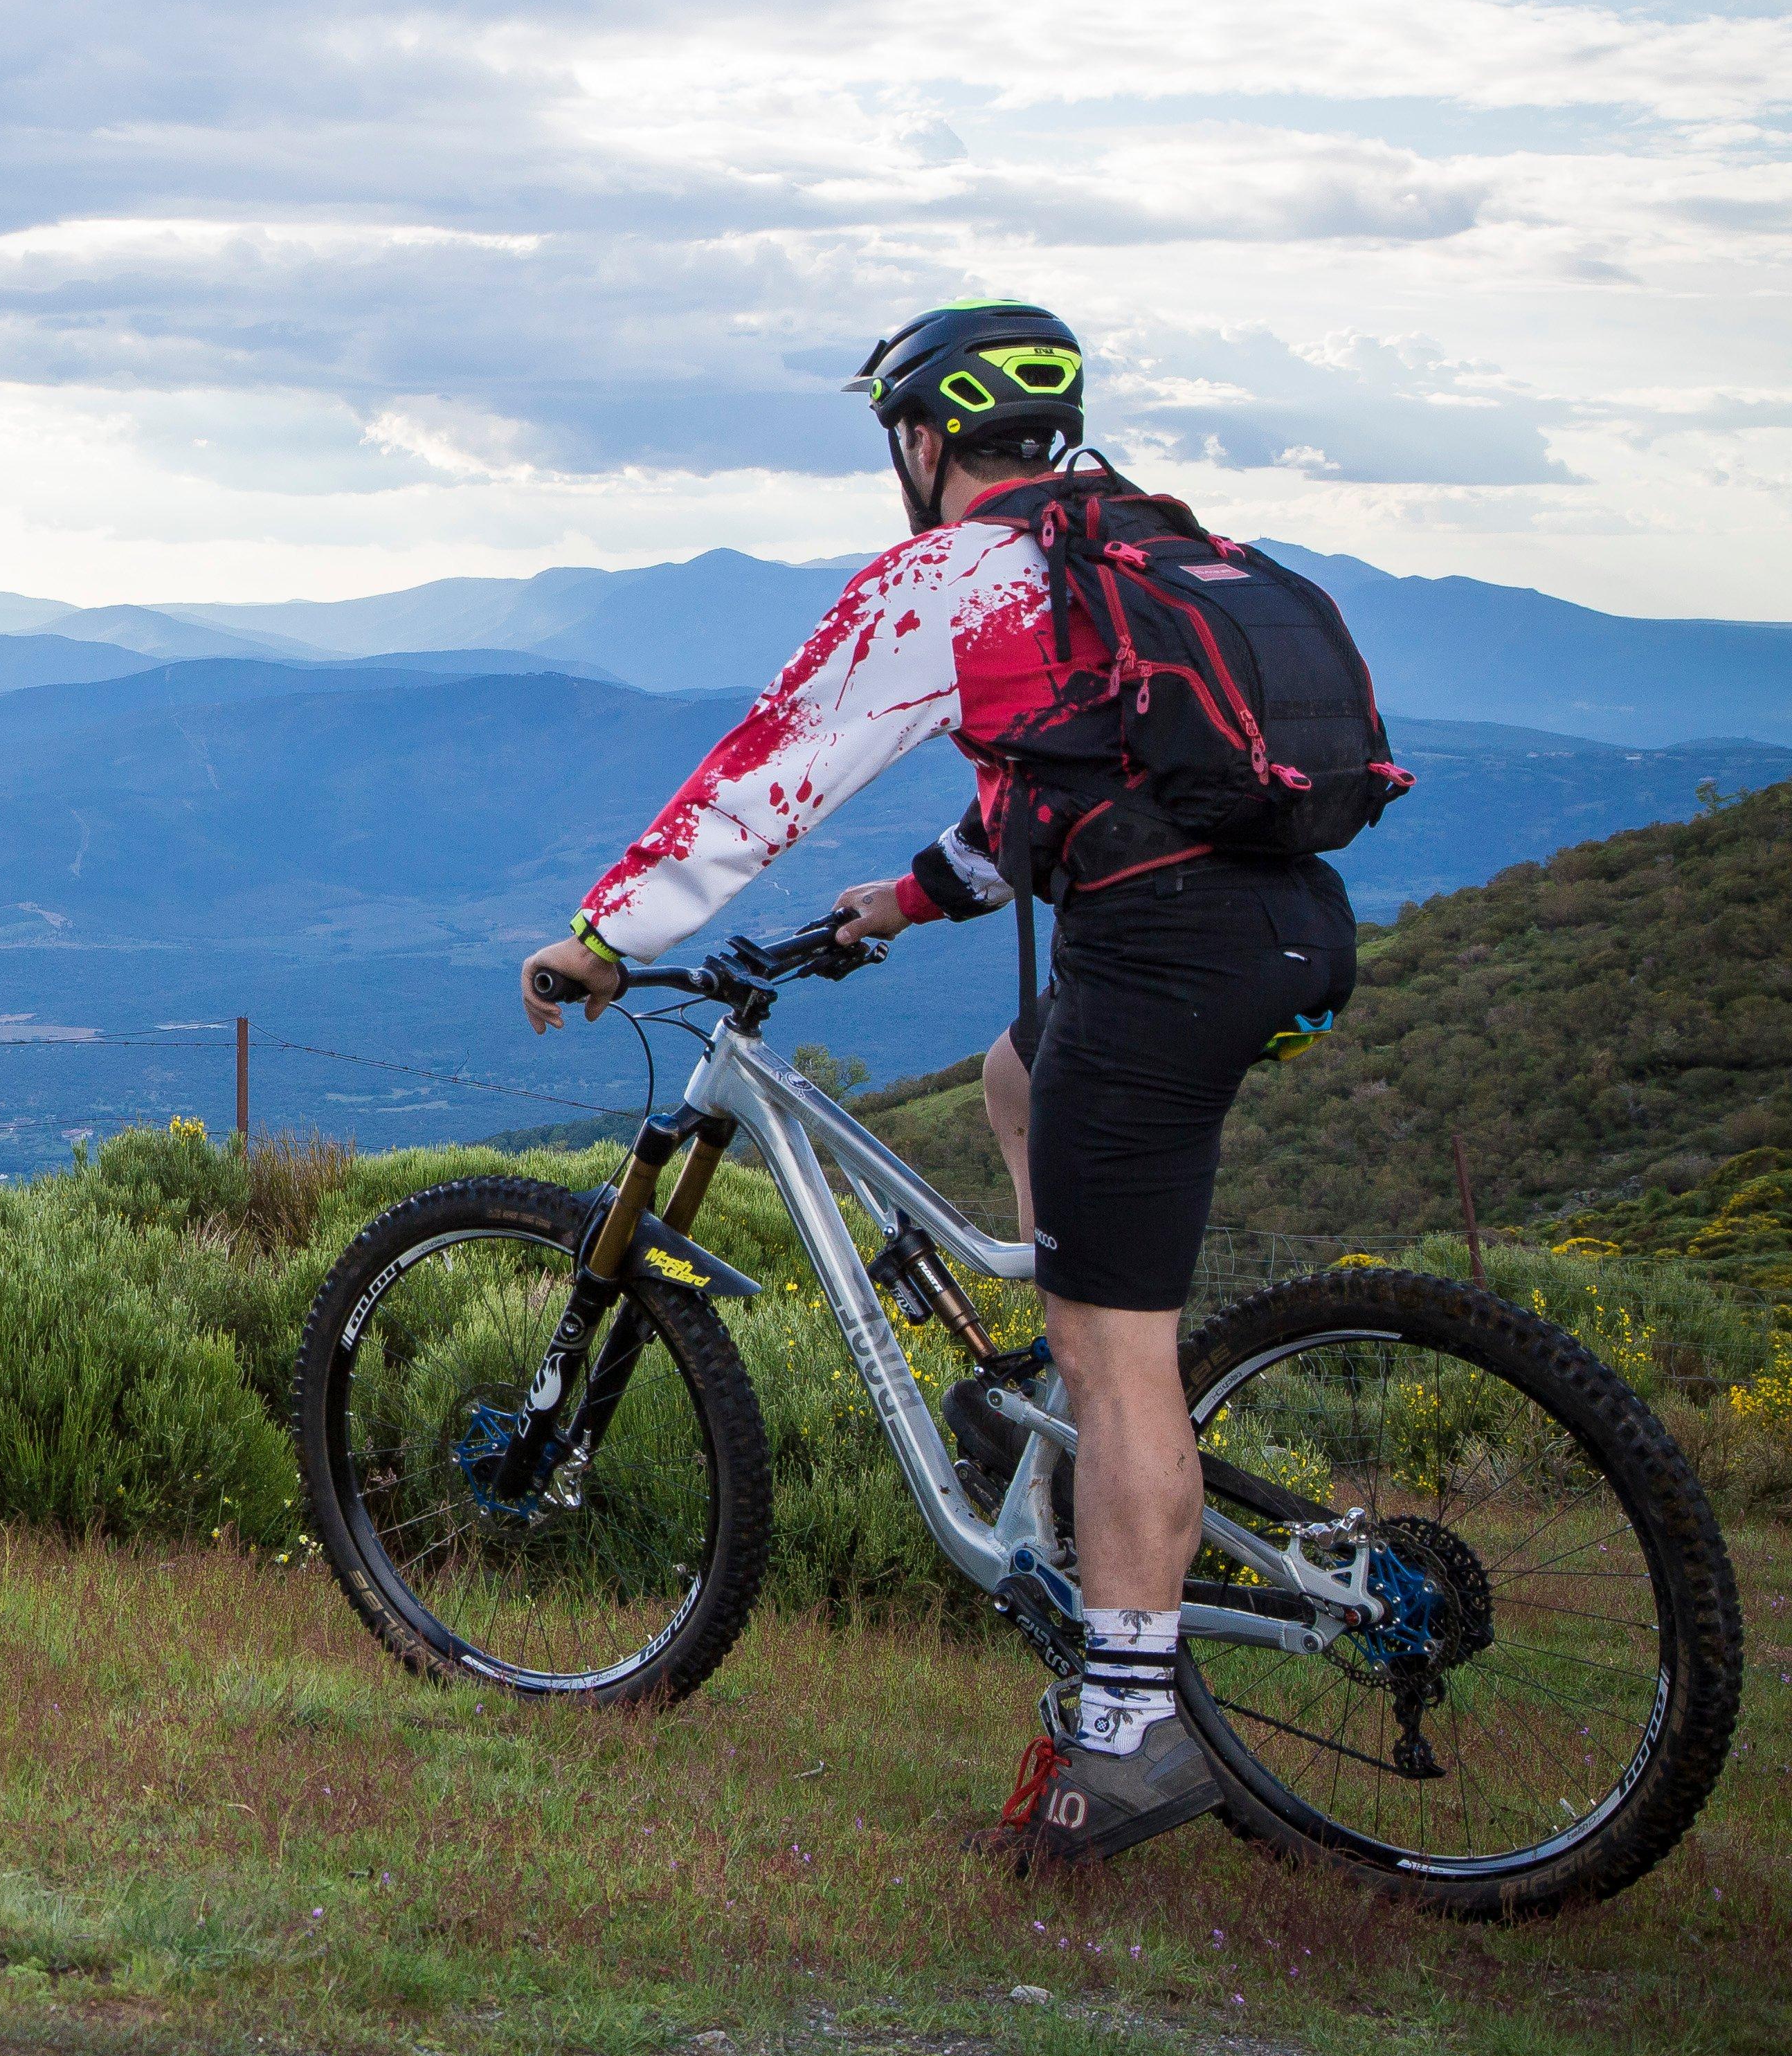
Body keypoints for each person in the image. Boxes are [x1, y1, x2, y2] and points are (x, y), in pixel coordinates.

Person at [516, 302, 1356, 1870]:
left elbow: (774, 765)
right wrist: (892, 907)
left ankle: (1124, 1731)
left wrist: (605, 940)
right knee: (1013, 1077)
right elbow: (1076, 788)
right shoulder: (1146, 548)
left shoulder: (959, 574)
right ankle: (1074, 1398)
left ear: (922, 439)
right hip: (1284, 931)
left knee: (1124, 1356)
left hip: (1161, 966)